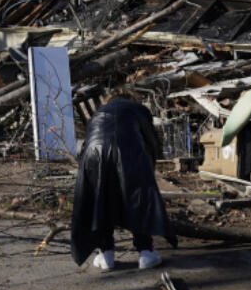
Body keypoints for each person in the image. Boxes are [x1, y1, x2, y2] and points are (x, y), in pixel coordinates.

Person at [70, 94, 177, 271]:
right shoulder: (138, 110)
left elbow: (87, 144)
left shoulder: (98, 113)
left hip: (93, 153)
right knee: (138, 198)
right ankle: (146, 252)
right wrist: (148, 169)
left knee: (101, 198)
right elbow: (151, 142)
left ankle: (106, 254)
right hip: (128, 151)